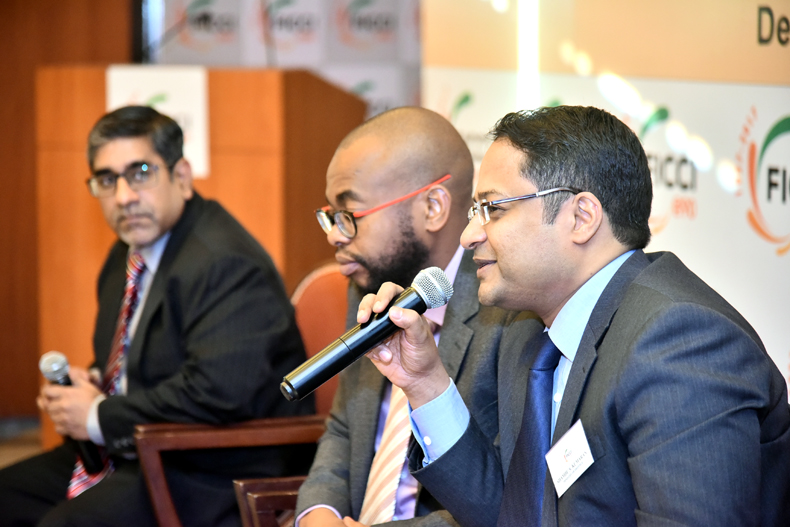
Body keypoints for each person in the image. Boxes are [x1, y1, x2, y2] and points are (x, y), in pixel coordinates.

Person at [357, 106, 790, 527]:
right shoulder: (528, 329)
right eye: (475, 211)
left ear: (581, 218)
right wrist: (425, 382)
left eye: (493, 209)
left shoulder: (682, 342)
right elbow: (509, 512)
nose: (469, 236)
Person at [0, 106, 314, 527]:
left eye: (141, 173)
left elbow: (218, 393)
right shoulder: (126, 254)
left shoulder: (225, 261)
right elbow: (138, 361)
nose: (124, 197)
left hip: (212, 467)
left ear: (181, 176)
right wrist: (92, 384)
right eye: (107, 180)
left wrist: (97, 415)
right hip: (140, 445)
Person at [295, 107, 542, 527]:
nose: (334, 234)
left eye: (349, 216)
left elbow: (508, 499)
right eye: (330, 217)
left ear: (432, 207)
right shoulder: (372, 284)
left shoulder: (509, 307)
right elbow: (344, 427)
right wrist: (319, 515)